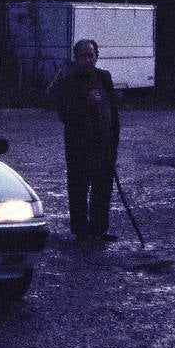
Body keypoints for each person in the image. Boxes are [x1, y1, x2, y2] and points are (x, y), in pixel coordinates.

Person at [52, 38, 120, 241]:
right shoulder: (68, 82)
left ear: (97, 57)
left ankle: (99, 228)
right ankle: (81, 230)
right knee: (79, 188)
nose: (88, 60)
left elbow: (113, 111)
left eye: (91, 55)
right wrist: (85, 102)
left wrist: (114, 141)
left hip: (103, 145)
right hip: (79, 146)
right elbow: (64, 114)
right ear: (77, 58)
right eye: (84, 55)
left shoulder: (104, 78)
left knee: (103, 187)